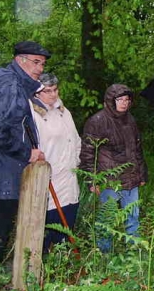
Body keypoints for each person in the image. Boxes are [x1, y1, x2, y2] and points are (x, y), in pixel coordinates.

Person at [0, 41, 49, 264]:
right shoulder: (9, 85)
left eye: (42, 64)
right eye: (36, 62)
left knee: (0, 218)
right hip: (3, 165)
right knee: (0, 220)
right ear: (19, 60)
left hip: (2, 163)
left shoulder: (12, 82)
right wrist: (27, 152)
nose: (40, 69)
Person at [80, 84, 147, 252]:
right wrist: (91, 179)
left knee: (133, 217)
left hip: (131, 178)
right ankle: (104, 255)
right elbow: (88, 153)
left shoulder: (130, 119)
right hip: (108, 180)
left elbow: (137, 149)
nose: (124, 103)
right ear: (111, 101)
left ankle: (134, 254)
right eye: (120, 99)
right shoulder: (97, 122)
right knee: (106, 220)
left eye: (127, 100)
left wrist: (142, 174)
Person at [30, 72, 82, 254]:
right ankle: (40, 264)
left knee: (67, 221)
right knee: (47, 225)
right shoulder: (33, 114)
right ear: (37, 93)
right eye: (47, 91)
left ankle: (63, 263)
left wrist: (75, 161)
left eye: (55, 90)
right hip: (49, 180)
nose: (53, 94)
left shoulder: (63, 111)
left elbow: (76, 140)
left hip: (69, 177)